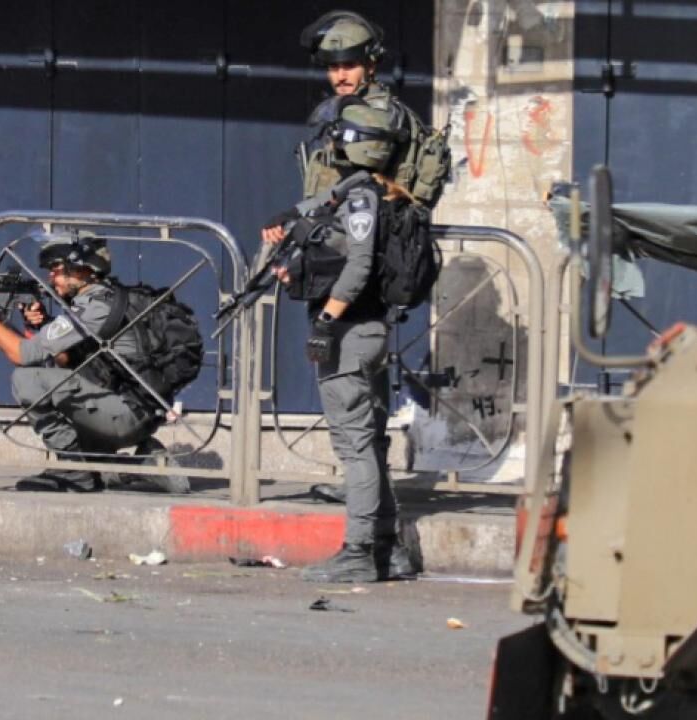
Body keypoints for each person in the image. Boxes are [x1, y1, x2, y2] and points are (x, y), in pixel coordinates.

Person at [263, 100, 417, 583]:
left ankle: (358, 553)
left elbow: (359, 264)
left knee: (355, 448)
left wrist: (328, 317)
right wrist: (288, 216)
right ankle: (388, 549)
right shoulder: (369, 190)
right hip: (369, 331)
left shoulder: (362, 199)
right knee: (369, 442)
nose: (330, 145)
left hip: (351, 332)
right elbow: (320, 207)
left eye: (337, 137)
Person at [0, 231, 181, 493]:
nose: (50, 277)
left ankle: (73, 468)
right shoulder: (106, 298)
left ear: (82, 269)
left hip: (125, 412)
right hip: (128, 407)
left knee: (26, 379)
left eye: (56, 269)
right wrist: (40, 324)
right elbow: (65, 359)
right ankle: (144, 464)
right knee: (94, 470)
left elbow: (22, 354)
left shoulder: (95, 307)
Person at [294, 10, 420, 207]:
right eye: (334, 68)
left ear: (370, 66)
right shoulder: (344, 110)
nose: (341, 76)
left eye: (349, 66)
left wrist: (302, 213)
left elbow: (356, 181)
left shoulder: (377, 114)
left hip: (366, 220)